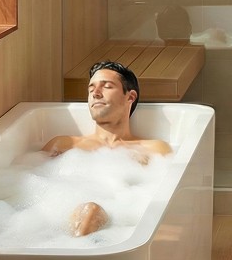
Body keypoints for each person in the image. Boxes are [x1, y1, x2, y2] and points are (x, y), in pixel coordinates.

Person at [41, 60, 171, 236]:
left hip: (119, 223)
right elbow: (37, 186)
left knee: (91, 210)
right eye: (90, 88)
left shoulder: (154, 150)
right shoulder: (63, 145)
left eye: (107, 86)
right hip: (55, 221)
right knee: (90, 210)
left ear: (130, 97)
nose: (95, 93)